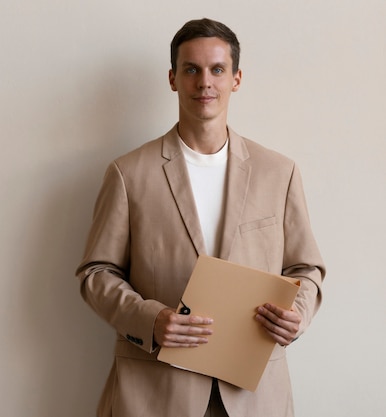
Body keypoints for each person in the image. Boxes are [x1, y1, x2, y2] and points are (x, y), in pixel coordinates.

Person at [76, 18, 325, 417]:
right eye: (191, 69)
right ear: (173, 79)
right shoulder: (128, 173)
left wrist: (297, 315)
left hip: (254, 395)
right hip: (155, 393)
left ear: (236, 79)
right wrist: (150, 320)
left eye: (217, 70)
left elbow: (307, 267)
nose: (204, 82)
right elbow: (96, 273)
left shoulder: (279, 172)